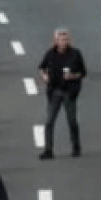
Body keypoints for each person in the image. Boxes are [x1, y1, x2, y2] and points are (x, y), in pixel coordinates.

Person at [37, 28, 87, 159]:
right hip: (54, 91)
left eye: (65, 39)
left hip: (69, 91)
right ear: (55, 41)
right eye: (60, 39)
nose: (63, 42)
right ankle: (48, 149)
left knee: (72, 120)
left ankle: (76, 146)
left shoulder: (75, 54)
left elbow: (83, 73)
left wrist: (73, 76)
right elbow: (41, 67)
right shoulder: (50, 54)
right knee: (49, 121)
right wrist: (44, 76)